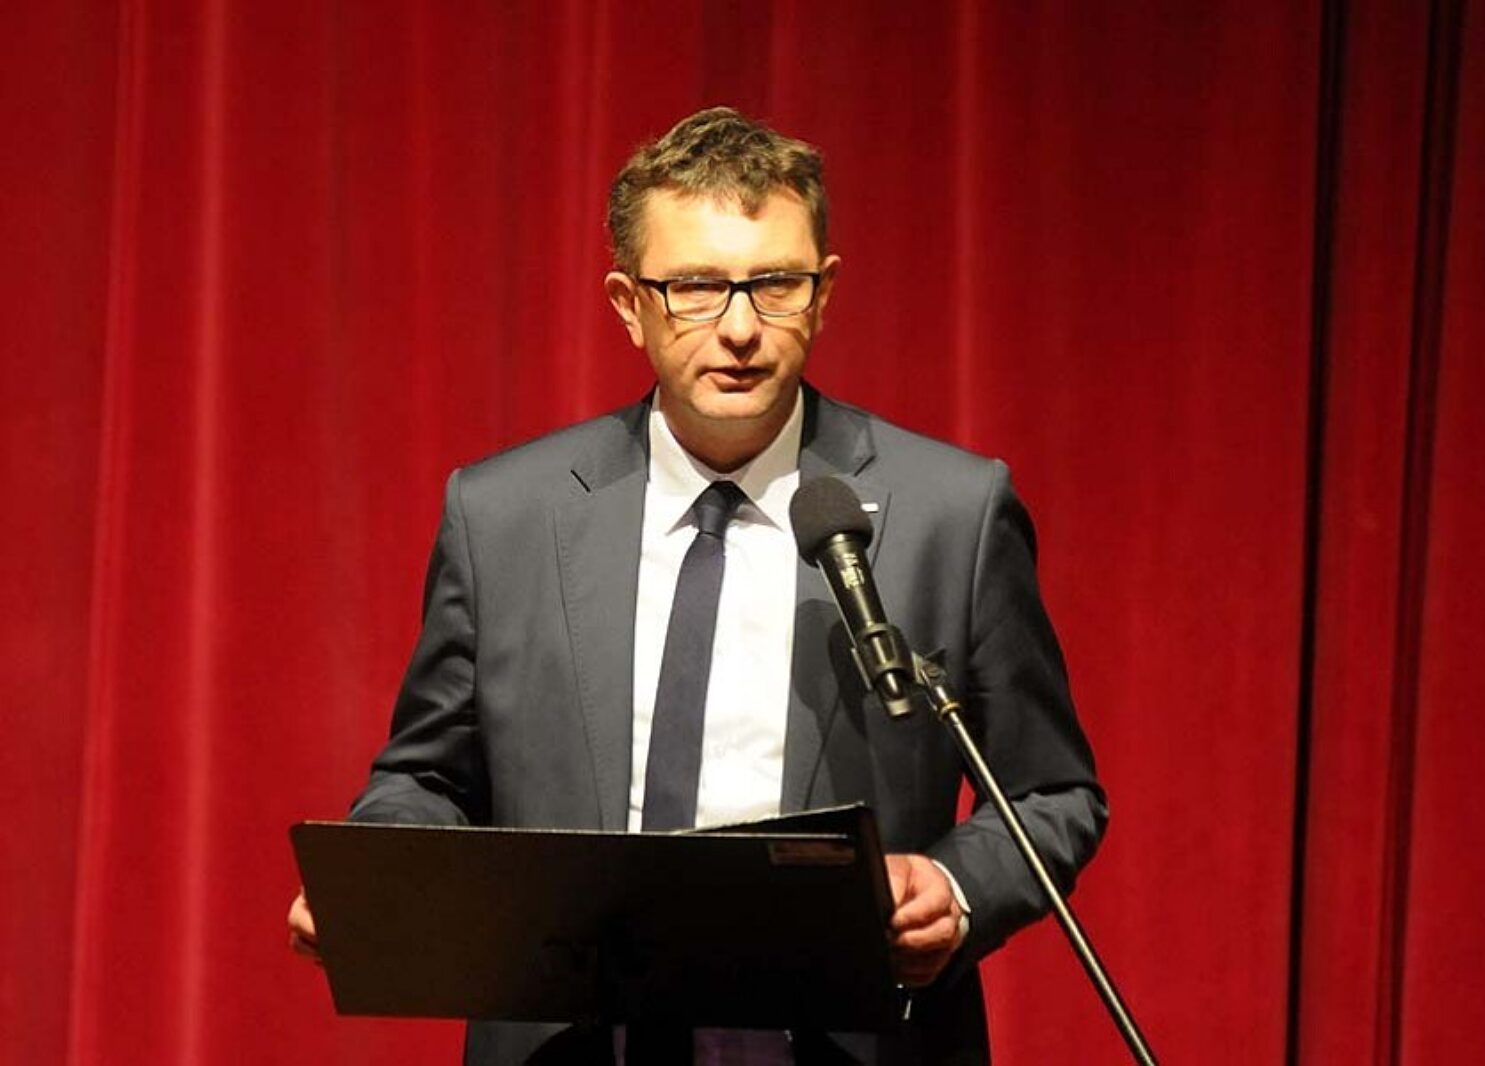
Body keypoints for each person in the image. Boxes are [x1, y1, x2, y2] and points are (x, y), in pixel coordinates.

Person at [289, 106, 1107, 1065]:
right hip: (572, 1042)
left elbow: (1052, 793)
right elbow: (427, 777)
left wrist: (956, 889)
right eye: (696, 289)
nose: (741, 329)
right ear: (628, 304)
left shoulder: (950, 514)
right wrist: (377, 882)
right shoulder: (505, 515)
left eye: (776, 285)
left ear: (824, 292)